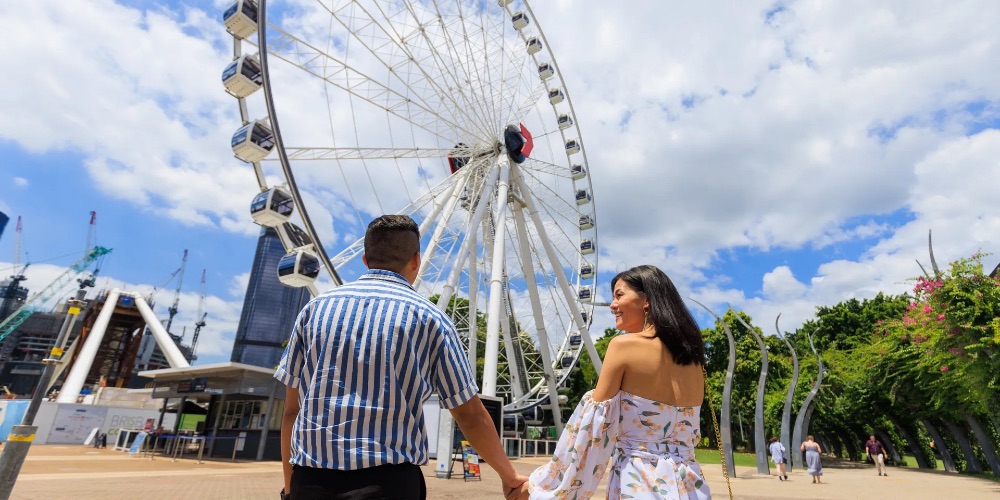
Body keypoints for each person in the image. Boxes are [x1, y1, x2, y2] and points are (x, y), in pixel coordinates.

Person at [275, 215, 527, 500]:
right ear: (416, 260)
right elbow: (469, 413)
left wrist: (290, 486)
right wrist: (510, 476)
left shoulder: (314, 310)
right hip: (389, 484)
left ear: (365, 258)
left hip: (311, 481)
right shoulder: (432, 320)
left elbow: (292, 412)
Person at [516, 265, 711, 499]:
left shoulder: (623, 346)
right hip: (691, 485)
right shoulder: (694, 361)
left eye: (619, 295)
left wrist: (543, 486)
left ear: (647, 301)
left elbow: (590, 433)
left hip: (641, 483)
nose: (612, 305)